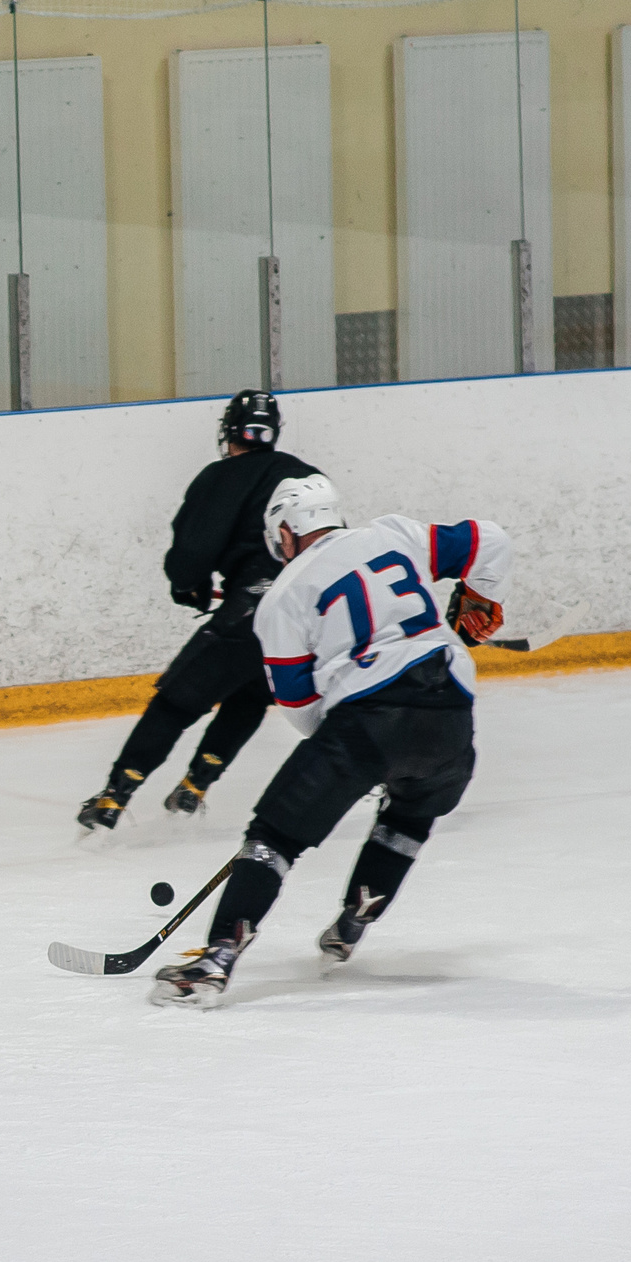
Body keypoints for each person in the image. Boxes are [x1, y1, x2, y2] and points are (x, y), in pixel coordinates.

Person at [148, 475, 511, 1008]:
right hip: (452, 717)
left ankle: (217, 958)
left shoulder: (282, 598)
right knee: (409, 815)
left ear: (289, 532)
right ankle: (352, 922)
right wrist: (478, 598)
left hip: (368, 719)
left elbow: (299, 706)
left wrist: (353, 763)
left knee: (273, 838)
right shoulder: (394, 535)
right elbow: (493, 539)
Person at [77, 389, 322, 831]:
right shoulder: (306, 477)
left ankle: (115, 797)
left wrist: (189, 586)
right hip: (304, 615)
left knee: (178, 699)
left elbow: (194, 547)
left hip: (251, 607)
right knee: (250, 695)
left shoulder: (222, 475)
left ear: (230, 430)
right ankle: (195, 786)